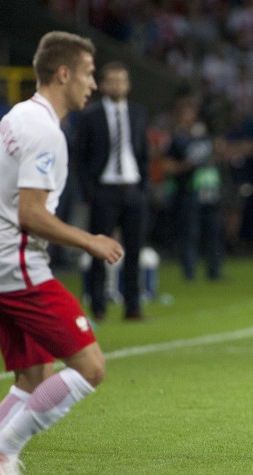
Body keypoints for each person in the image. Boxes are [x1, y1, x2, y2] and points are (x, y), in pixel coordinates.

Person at [0, 31, 123, 475]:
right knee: (90, 367)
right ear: (64, 73)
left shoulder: (16, 117)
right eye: (89, 74)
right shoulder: (46, 131)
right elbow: (31, 213)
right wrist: (89, 240)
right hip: (22, 270)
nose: (93, 84)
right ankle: (1, 449)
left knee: (31, 378)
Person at [76, 61, 149, 321]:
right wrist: (89, 191)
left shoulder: (138, 114)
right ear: (103, 84)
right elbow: (81, 157)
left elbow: (142, 154)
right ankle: (98, 307)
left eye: (122, 80)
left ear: (128, 85)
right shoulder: (89, 115)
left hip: (132, 189)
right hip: (104, 191)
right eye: (112, 80)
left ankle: (133, 307)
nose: (117, 85)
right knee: (98, 250)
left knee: (135, 251)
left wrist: (143, 186)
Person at [162, 97, 224, 280]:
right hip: (190, 191)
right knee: (190, 233)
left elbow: (219, 154)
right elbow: (167, 166)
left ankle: (214, 271)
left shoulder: (205, 135)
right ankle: (189, 272)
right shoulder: (177, 139)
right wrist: (187, 166)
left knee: (214, 231)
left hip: (210, 190)